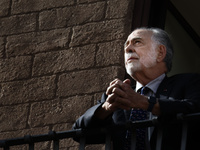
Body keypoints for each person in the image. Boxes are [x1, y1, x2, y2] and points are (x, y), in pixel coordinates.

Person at [72, 27, 200, 150]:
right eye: (126, 45)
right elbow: (78, 133)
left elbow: (194, 110)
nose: (127, 48)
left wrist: (145, 102)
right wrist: (106, 108)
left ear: (160, 53)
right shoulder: (119, 95)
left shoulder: (188, 82)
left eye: (137, 42)